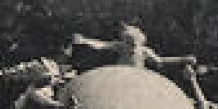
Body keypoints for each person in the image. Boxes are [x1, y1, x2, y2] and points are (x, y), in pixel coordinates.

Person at [67, 23, 196, 74]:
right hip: (121, 73)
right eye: (129, 43)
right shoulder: (120, 46)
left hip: (138, 75)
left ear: (140, 41)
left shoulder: (144, 51)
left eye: (135, 43)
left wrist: (182, 59)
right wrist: (84, 40)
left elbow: (160, 61)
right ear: (125, 41)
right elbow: (102, 45)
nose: (132, 47)